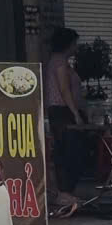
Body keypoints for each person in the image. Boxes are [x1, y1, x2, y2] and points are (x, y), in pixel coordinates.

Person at [43, 25, 93, 212]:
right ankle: (65, 192)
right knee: (70, 151)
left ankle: (67, 191)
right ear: (68, 44)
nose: (76, 47)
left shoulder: (58, 61)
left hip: (63, 111)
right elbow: (64, 90)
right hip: (63, 112)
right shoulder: (59, 63)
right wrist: (75, 114)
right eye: (74, 43)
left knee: (69, 150)